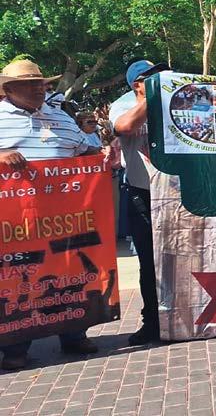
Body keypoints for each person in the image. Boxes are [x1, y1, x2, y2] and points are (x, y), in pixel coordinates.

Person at [0, 60, 99, 370]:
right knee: (19, 279)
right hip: (15, 222)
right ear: (8, 90)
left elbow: (86, 151)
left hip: (64, 217)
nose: (38, 89)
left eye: (40, 83)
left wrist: (98, 151)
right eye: (29, 84)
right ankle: (15, 347)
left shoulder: (61, 118)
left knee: (68, 272)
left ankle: (74, 334)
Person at [109, 59, 170, 345]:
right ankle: (152, 322)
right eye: (153, 76)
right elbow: (126, 126)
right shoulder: (122, 105)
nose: (161, 78)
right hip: (142, 194)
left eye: (162, 74)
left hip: (179, 192)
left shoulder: (174, 99)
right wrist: (153, 97)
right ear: (138, 85)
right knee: (149, 261)